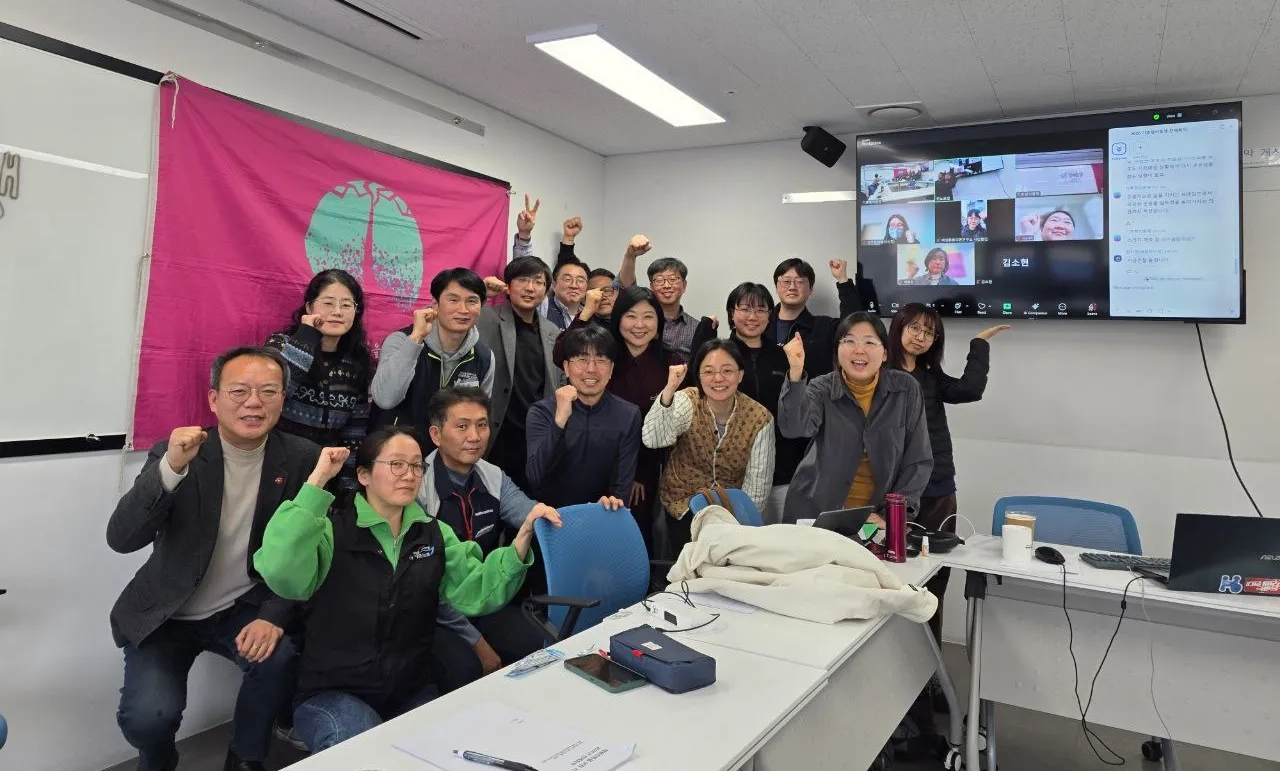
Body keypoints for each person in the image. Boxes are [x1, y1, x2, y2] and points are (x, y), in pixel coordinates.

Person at [252, 426, 561, 752]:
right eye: (396, 464)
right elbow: (281, 570)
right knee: (360, 742)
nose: (409, 475)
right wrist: (317, 481)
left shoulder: (435, 534)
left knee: (448, 749)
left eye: (416, 466)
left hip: (409, 691)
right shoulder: (329, 532)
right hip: (333, 693)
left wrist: (523, 536)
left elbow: (477, 590)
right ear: (364, 475)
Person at [107, 347, 320, 771]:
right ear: (214, 399)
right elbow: (123, 538)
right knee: (148, 718)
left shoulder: (303, 458)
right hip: (168, 610)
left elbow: (307, 551)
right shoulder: (179, 452)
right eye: (239, 391)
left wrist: (274, 614)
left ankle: (245, 758)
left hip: (243, 605)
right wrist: (170, 469)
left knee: (279, 657)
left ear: (282, 399)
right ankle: (158, 758)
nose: (254, 402)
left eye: (268, 391)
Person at [887, 304, 1009, 642]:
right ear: (898, 327)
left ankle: (930, 659)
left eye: (929, 333)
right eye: (915, 328)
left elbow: (969, 390)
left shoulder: (930, 376)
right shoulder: (878, 372)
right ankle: (894, 654)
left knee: (936, 574)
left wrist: (979, 345)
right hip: (894, 491)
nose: (921, 337)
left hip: (938, 487)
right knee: (894, 573)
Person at [414, 388, 558, 663]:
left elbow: (535, 516)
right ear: (436, 434)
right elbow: (422, 585)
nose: (475, 436)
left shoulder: (493, 476)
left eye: (482, 425)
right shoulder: (417, 486)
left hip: (485, 596)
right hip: (436, 611)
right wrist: (477, 643)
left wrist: (597, 511)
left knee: (540, 647)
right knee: (465, 667)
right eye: (462, 426)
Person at [776, 313, 932, 525]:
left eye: (869, 342)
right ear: (837, 351)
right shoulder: (822, 388)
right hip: (817, 512)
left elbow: (917, 461)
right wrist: (796, 371)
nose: (859, 350)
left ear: (885, 353)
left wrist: (891, 515)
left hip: (877, 517)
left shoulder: (905, 389)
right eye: (849, 341)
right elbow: (793, 428)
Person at [642, 340, 775, 553]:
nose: (718, 379)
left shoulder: (760, 418)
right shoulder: (687, 401)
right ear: (699, 376)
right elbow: (653, 439)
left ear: (740, 375)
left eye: (727, 371)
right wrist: (669, 390)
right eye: (709, 372)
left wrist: (739, 531)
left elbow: (756, 491)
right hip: (682, 508)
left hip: (731, 516)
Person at [264, 269, 371, 494]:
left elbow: (354, 433)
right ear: (309, 307)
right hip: (276, 466)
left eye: (346, 305)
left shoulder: (358, 362)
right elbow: (274, 394)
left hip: (326, 475)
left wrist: (347, 488)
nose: (337, 312)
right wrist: (306, 335)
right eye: (328, 303)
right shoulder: (281, 345)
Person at [370, 267, 495, 442]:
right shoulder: (401, 341)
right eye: (453, 300)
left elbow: (478, 414)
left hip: (448, 453)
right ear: (435, 303)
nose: (463, 309)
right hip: (399, 450)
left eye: (472, 301)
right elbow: (385, 399)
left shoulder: (484, 356)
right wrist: (415, 339)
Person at [526, 325, 641, 511]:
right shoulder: (542, 411)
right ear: (566, 367)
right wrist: (559, 421)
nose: (591, 369)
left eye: (601, 360)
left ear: (611, 369)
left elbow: (621, 485)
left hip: (601, 515)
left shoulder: (628, 414)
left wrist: (610, 508)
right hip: (551, 516)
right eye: (582, 360)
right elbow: (535, 477)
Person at [476, 255, 561, 493]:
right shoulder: (486, 317)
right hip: (498, 433)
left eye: (538, 282)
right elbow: (447, 320)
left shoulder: (552, 331)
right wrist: (480, 294)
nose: (530, 288)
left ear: (546, 290)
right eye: (522, 280)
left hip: (535, 436)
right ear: (508, 286)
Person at [771, 258, 863, 378]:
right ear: (776, 288)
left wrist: (843, 280)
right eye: (786, 281)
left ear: (810, 289)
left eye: (800, 281)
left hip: (812, 390)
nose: (792, 287)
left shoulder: (824, 327)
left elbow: (855, 324)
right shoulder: (761, 325)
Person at [617, 235, 701, 361]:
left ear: (684, 286)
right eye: (660, 280)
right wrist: (630, 256)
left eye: (673, 279)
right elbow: (626, 290)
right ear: (651, 287)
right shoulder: (640, 322)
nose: (666, 285)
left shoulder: (696, 328)